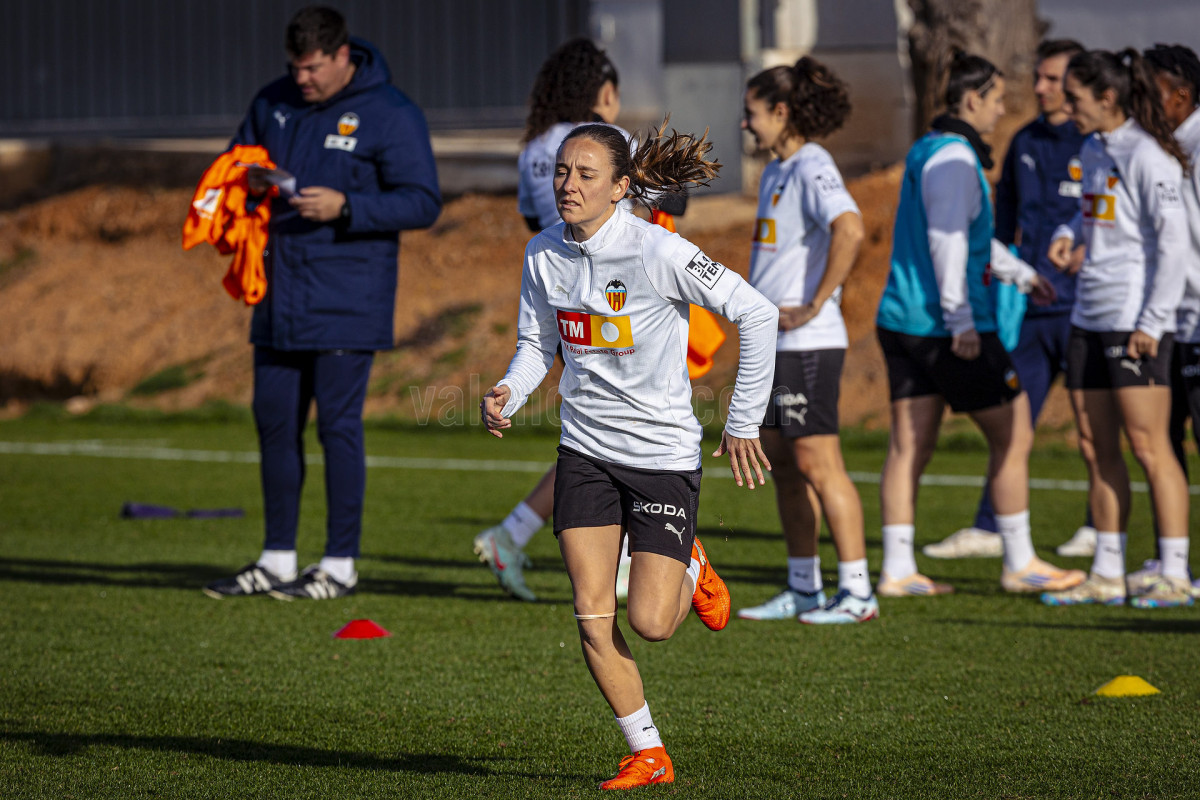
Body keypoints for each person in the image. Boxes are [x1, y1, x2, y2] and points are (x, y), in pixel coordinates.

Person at [481, 122, 777, 789]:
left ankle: (692, 561)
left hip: (661, 457)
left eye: (586, 174)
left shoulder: (657, 249)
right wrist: (509, 389)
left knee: (651, 623)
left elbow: (757, 313)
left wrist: (743, 420)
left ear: (620, 187)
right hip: (584, 452)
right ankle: (649, 752)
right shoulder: (542, 252)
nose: (568, 185)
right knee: (591, 614)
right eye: (562, 171)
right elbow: (538, 345)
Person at [203, 6, 441, 600]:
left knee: (337, 429)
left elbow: (423, 201)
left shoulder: (391, 112)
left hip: (348, 298)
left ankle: (339, 566)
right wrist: (247, 181)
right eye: (294, 67)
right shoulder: (272, 101)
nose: (301, 78)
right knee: (274, 424)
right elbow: (235, 163)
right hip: (277, 294)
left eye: (312, 68)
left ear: (341, 55)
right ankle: (277, 560)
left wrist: (348, 206)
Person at [874, 51, 1085, 598]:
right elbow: (947, 242)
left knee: (909, 445)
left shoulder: (929, 147)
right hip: (945, 327)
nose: (1002, 109)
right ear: (972, 100)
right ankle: (1019, 561)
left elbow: (966, 237)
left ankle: (897, 569)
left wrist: (1021, 274)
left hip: (903, 319)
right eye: (996, 99)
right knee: (1015, 432)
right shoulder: (955, 158)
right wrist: (962, 321)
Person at [924, 40, 1100, 561]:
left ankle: (1099, 528)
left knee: (1093, 428)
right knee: (1013, 426)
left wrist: (1087, 251)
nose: (1040, 88)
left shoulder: (1097, 144)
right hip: (1034, 313)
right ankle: (991, 527)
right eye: (1039, 77)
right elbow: (996, 231)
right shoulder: (1024, 140)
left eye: (1052, 79)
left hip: (1086, 311)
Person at [473, 39, 625, 603]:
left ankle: (517, 535)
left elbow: (529, 218)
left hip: (562, 298)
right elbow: (672, 202)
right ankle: (630, 560)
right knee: (619, 435)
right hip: (618, 306)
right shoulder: (608, 143)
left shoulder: (537, 146)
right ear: (602, 91)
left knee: (600, 434)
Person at [1041, 49, 1192, 608]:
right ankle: (1107, 571)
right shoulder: (1092, 149)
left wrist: (1153, 321)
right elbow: (1092, 214)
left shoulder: (1149, 154)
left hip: (1133, 322)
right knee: (1093, 444)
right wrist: (1068, 236)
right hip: (1088, 315)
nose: (1066, 106)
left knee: (1150, 447)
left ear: (1107, 98)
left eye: (1074, 97)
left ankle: (1174, 571)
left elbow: (1174, 244)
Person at [734, 57, 876, 624]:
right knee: (784, 465)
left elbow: (851, 228)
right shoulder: (777, 171)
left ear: (781, 111)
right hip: (773, 346)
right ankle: (803, 586)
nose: (744, 124)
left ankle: (858, 593)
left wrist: (817, 303)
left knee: (820, 464)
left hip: (808, 344)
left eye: (751, 113)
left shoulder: (814, 164)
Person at [1122, 44, 1200, 597]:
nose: (1138, 103)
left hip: (1193, 317)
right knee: (1164, 441)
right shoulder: (1162, 148)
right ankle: (1170, 559)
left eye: (1147, 93)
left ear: (1181, 96)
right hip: (1172, 318)